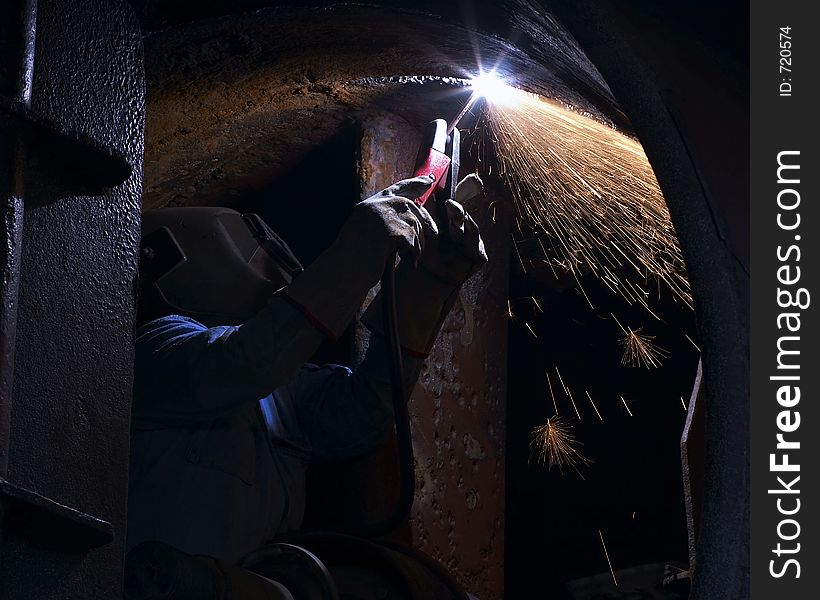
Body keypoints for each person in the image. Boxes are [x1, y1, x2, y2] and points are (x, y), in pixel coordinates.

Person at [127, 174, 487, 563]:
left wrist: (426, 286)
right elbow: (247, 361)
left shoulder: (284, 391)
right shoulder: (156, 350)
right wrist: (359, 249)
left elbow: (362, 416)